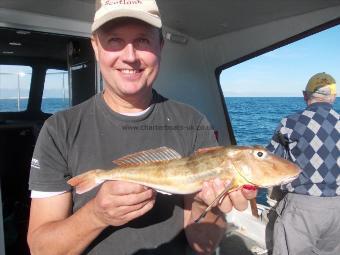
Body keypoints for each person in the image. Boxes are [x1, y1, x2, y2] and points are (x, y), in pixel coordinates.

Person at [27, 1, 257, 254]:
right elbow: (40, 249)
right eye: (114, 40)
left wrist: (204, 204)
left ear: (161, 46)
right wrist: (95, 215)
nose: (130, 56)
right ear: (95, 46)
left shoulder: (193, 122)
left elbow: (204, 244)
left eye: (143, 41)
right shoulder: (59, 129)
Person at [266, 72, 340, 255]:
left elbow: (270, 161)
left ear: (305, 95)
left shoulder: (290, 122)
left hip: (303, 207)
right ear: (333, 97)